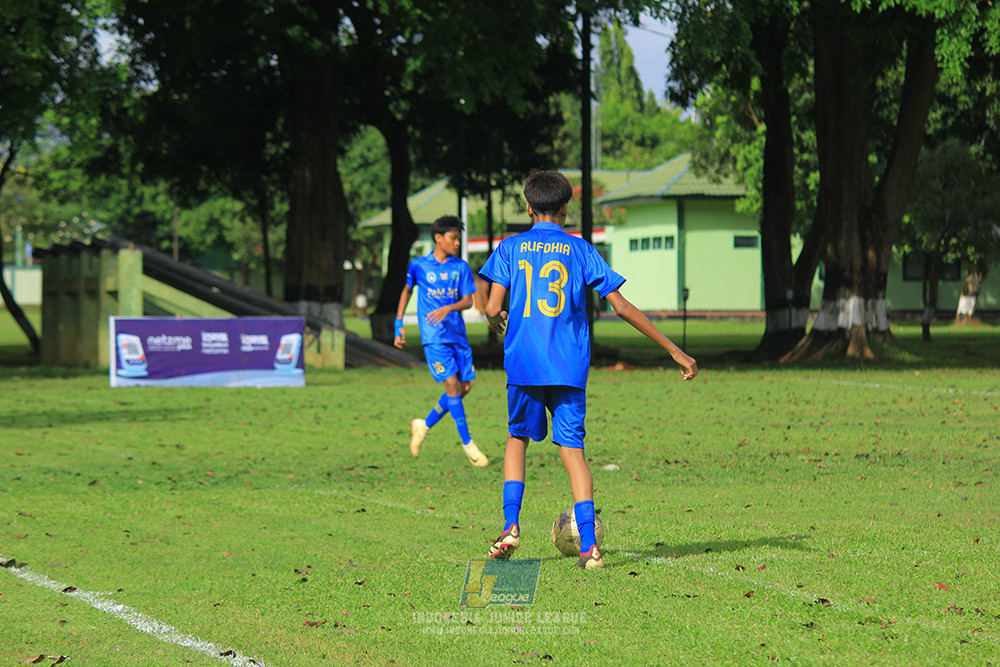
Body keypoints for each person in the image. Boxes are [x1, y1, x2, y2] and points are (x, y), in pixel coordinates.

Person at [478, 170, 697, 569]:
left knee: (517, 441)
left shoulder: (509, 248)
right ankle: (590, 547)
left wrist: (495, 321)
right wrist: (674, 350)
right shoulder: (580, 250)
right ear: (566, 209)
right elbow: (621, 306)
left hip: (524, 366)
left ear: (528, 207)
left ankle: (511, 526)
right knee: (573, 453)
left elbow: (492, 308)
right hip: (568, 367)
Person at [395, 215, 489, 467]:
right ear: (438, 238)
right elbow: (406, 290)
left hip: (457, 335)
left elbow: (469, 300)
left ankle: (422, 425)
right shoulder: (419, 266)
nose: (457, 242)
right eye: (453, 237)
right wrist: (398, 324)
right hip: (433, 336)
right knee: (451, 384)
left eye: (459, 238)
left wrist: (449, 308)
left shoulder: (460, 267)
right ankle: (468, 444)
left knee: (463, 388)